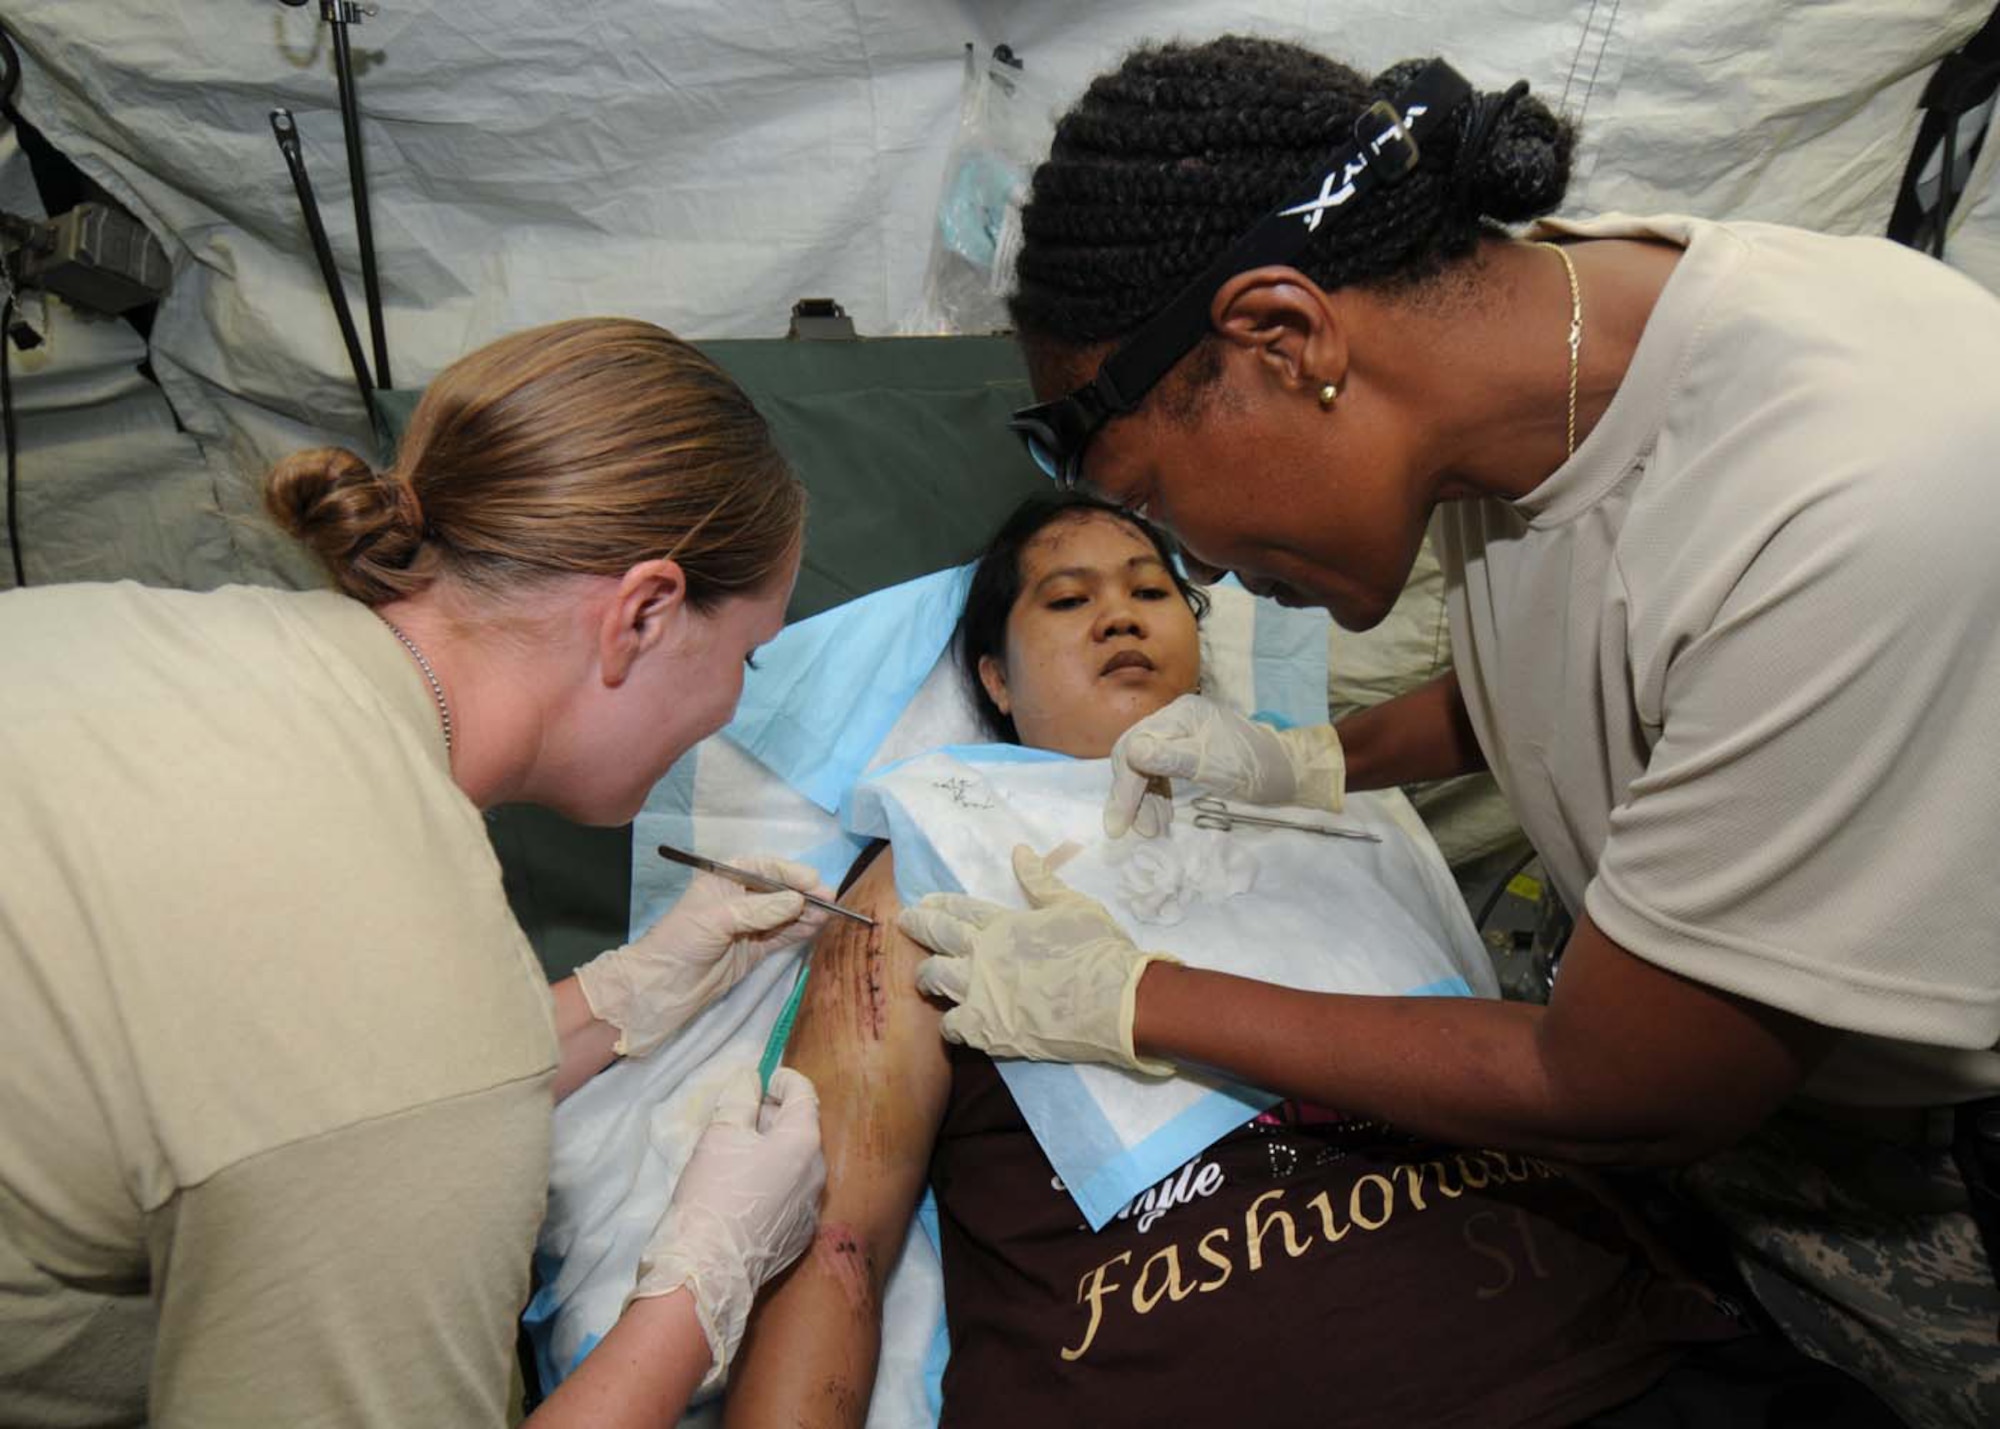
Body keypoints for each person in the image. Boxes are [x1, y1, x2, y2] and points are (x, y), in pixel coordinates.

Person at [889, 35, 2000, 1428]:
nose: (1207, 577)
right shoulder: (1532, 353)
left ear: (1285, 340)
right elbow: (1609, 644)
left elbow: (1620, 1086)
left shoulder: (1846, 498)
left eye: (1164, 514)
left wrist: (1138, 997)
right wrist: (1318, 760)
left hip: (1926, 1148)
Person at [720, 493, 1898, 1429]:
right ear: (991, 681)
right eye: (1066, 600)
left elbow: (1567, 1075)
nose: (1121, 615)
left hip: (1613, 1363)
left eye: (1151, 588)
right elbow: (835, 1244)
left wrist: (1302, 781)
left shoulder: (1344, 805)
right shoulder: (928, 857)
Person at [0, 317, 831, 1428]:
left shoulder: (147, 630)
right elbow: (382, 1083)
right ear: (643, 612)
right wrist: (698, 1284)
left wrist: (623, 995)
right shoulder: (417, 1010)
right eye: (747, 655)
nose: (735, 701)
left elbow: (263, 1064)